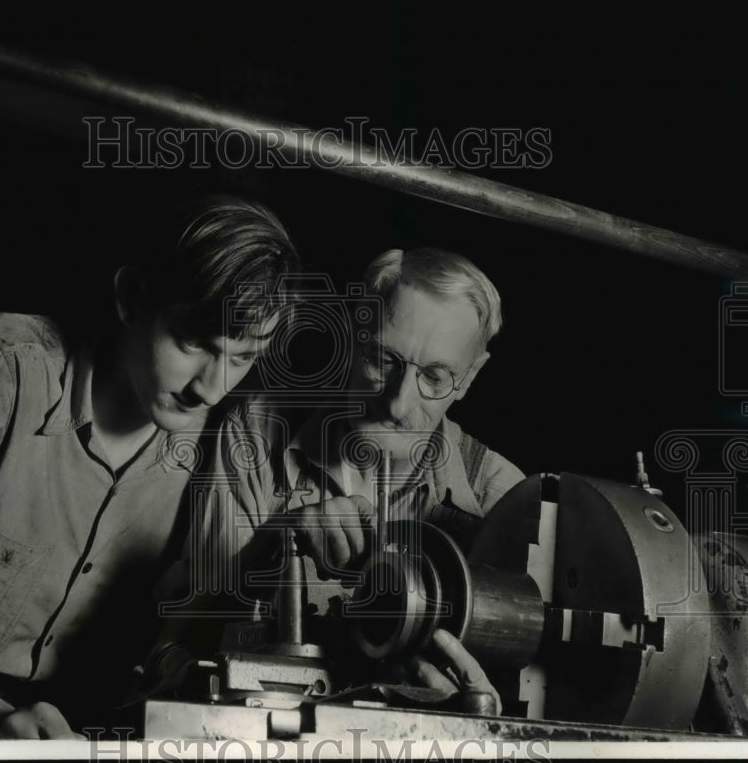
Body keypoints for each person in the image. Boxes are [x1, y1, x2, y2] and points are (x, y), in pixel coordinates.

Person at [0, 195, 300, 738]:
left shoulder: (223, 441)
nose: (210, 386)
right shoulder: (4, 368)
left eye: (243, 357)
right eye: (193, 343)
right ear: (131, 297)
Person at [168, 246, 524, 710]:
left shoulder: (503, 502)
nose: (397, 403)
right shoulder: (254, 436)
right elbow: (179, 643)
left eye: (435, 377)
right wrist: (270, 548)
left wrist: (475, 718)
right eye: (383, 358)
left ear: (471, 377)